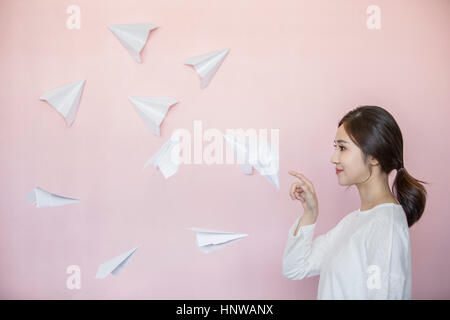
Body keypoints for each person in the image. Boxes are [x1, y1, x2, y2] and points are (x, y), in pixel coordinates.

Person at [282, 105, 428, 299]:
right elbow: (295, 267)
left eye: (342, 148)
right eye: (335, 147)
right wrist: (310, 213)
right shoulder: (353, 222)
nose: (333, 158)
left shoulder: (386, 226)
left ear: (374, 156)